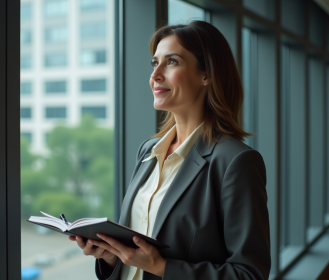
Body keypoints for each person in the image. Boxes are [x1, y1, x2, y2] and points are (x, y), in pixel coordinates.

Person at [69, 21, 271, 280]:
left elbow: (249, 274)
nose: (155, 75)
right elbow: (136, 257)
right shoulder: (148, 152)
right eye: (155, 63)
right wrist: (112, 255)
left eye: (172, 62)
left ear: (206, 74)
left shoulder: (236, 161)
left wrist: (161, 267)